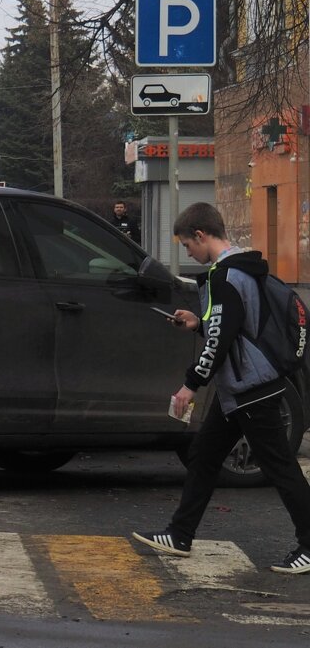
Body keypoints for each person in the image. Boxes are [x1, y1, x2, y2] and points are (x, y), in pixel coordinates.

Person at [132, 202, 310, 575]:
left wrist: (190, 385)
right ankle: (180, 534)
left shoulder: (224, 276)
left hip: (250, 388)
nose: (188, 253)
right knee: (204, 455)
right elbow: (232, 326)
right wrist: (199, 322)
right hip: (243, 387)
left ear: (201, 235)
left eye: (187, 245)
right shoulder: (242, 268)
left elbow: (221, 340)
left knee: (279, 468)